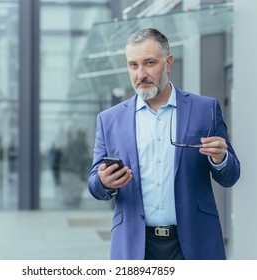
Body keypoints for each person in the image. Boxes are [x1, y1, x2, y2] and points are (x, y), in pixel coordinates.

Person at [88, 28, 240, 260]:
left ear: (168, 63)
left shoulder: (204, 109)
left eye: (149, 63)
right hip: (135, 245)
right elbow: (94, 185)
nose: (141, 74)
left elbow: (230, 176)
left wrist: (221, 159)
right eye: (133, 65)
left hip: (193, 242)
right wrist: (104, 181)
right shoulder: (109, 120)